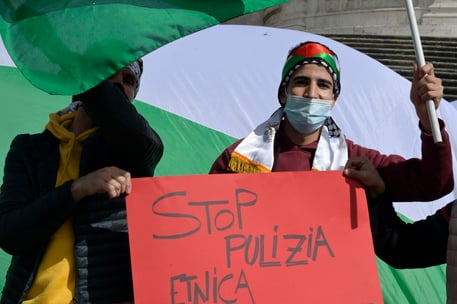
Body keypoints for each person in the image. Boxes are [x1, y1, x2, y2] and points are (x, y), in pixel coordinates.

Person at [0, 59, 164, 303]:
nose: (119, 84)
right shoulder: (29, 149)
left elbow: (137, 135)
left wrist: (81, 63)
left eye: (129, 80)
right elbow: (10, 234)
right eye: (109, 72)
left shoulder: (134, 151)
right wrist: (75, 190)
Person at [209, 41, 453, 205]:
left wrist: (427, 119)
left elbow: (435, 183)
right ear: (284, 93)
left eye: (323, 85)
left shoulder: (355, 162)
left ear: (334, 100)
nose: (312, 93)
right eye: (301, 82)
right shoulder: (239, 159)